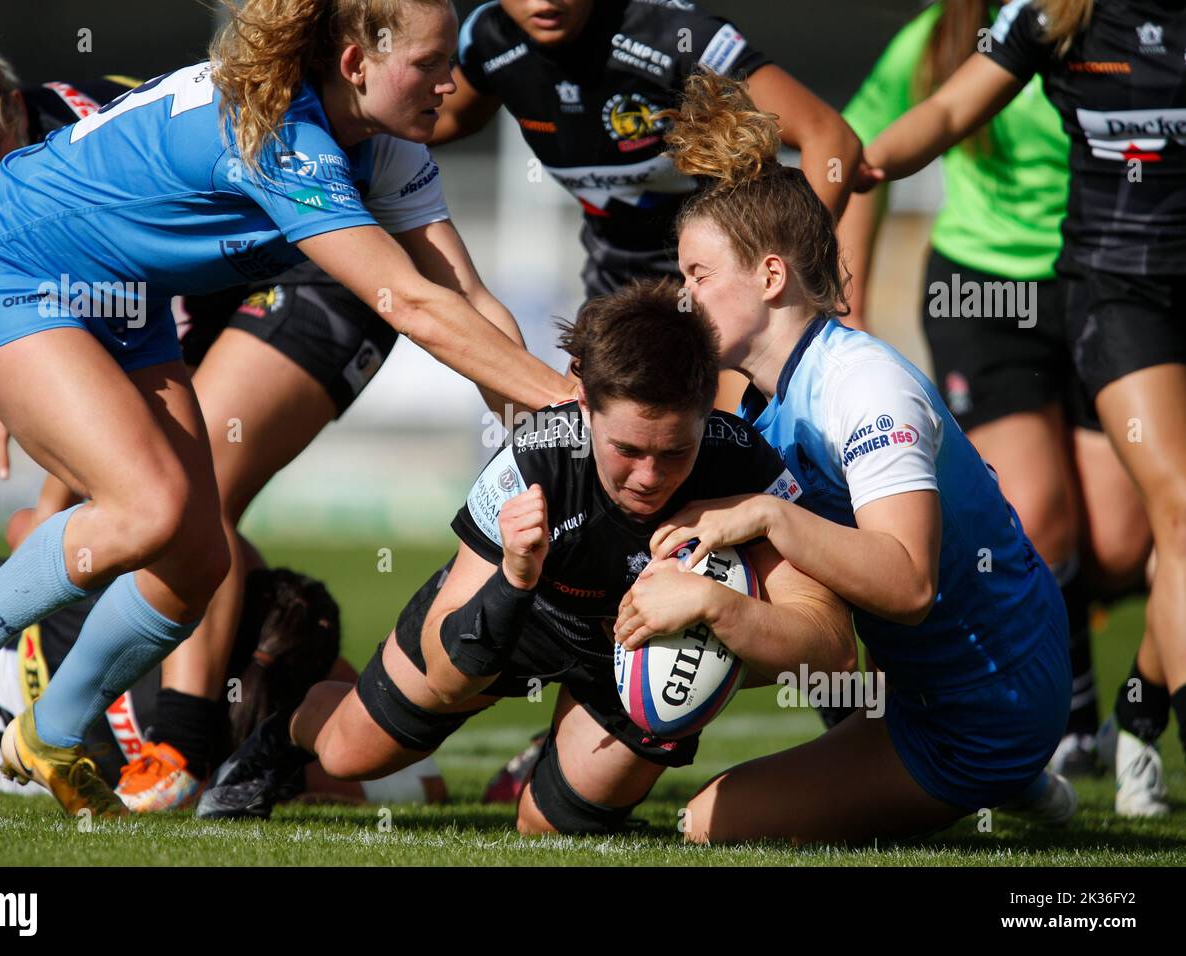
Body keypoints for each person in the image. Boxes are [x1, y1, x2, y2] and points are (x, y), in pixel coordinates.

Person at [0, 0, 569, 818]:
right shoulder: (282, 130)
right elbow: (413, 306)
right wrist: (572, 401)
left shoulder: (383, 144)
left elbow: (467, 300)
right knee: (147, 510)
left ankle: (55, 729)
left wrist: (557, 441)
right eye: (429, 63)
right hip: (6, 272)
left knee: (198, 558)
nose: (451, 82)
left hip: (121, 296)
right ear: (356, 67)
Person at [196, 280, 858, 834]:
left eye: (674, 452)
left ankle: (537, 768)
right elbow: (446, 661)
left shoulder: (745, 465)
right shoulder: (534, 460)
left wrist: (719, 607)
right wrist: (514, 580)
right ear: (583, 402)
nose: (650, 477)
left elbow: (830, 647)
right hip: (522, 614)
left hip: (638, 655)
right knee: (350, 753)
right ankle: (281, 737)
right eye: (628, 449)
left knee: (553, 827)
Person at [625, 72, 1073, 844]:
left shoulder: (862, 386)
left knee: (706, 826)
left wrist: (762, 521)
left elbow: (908, 584)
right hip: (916, 692)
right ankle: (983, 775)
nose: (684, 298)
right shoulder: (764, 398)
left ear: (770, 276)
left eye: (699, 277)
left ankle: (999, 772)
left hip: (982, 708)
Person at [860, 0, 1184, 818]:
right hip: (1012, 292)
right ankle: (1059, 725)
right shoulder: (1020, 22)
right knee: (1051, 511)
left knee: (1126, 543)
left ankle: (1139, 708)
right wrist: (850, 167)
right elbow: (917, 120)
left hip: (1106, 287)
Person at [433, 0, 860, 410]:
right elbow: (447, 117)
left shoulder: (672, 33)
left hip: (723, 286)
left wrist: (786, 267)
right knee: (592, 442)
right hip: (620, 283)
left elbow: (830, 137)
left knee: (731, 444)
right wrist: (369, 128)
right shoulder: (488, 39)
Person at [0, 515, 446, 807]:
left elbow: (25, 525)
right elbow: (424, 784)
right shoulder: (231, 760)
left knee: (186, 533)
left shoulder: (140, 613)